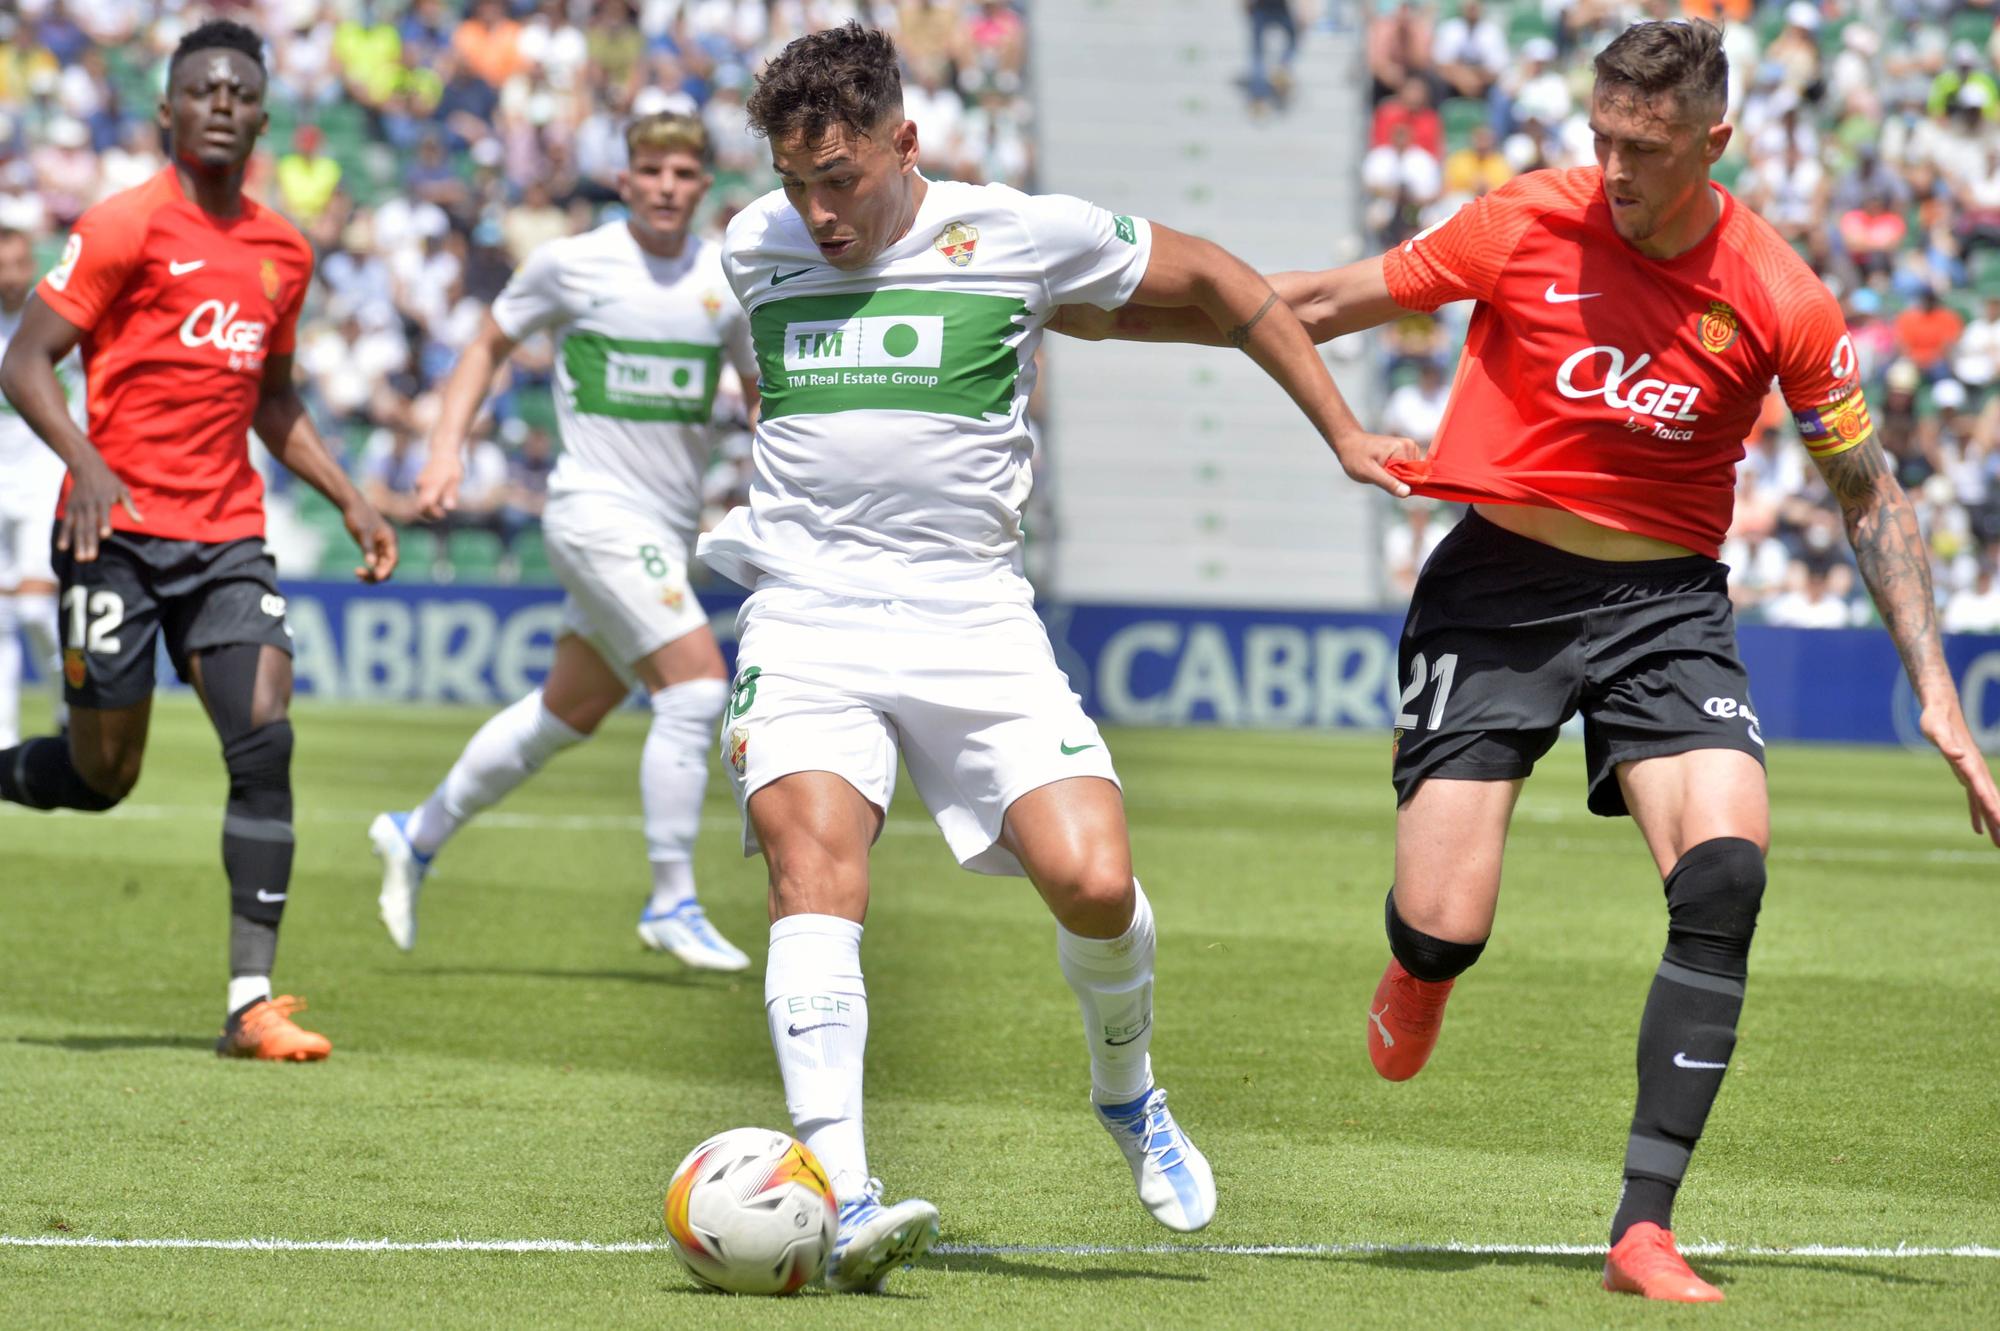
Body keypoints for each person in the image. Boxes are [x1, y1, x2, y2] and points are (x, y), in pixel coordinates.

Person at [1057, 17, 2000, 1305]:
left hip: (1666, 604)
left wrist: (1938, 699)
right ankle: (1419, 967)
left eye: (1644, 149)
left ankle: (1640, 1226)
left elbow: (1868, 495)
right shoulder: (1518, 222)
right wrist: (1092, 318)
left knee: (1724, 871)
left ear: (1712, 144)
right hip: (1494, 591)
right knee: (1446, 924)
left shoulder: (1779, 294)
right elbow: (1319, 302)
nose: (1612, 168)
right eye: (1600, 137)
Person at [702, 22, 1411, 1294]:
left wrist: (1344, 436)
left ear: (903, 145)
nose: (816, 212)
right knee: (816, 879)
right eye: (796, 182)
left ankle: (1126, 1092)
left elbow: (1220, 287)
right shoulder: (753, 247)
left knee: (1092, 882)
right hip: (806, 615)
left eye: (842, 180)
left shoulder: (1013, 235)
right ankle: (842, 1184)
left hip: (973, 620)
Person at [0, 20, 398, 1061]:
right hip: (114, 537)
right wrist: (85, 459)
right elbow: (27, 359)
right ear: (167, 112)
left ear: (263, 117)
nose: (220, 102)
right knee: (103, 776)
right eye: (201, 89)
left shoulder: (284, 252)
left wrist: (349, 496)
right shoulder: (127, 223)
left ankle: (250, 1001)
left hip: (226, 536)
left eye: (238, 91)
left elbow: (274, 399)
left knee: (264, 735)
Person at [368, 113, 757, 972]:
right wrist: (444, 450)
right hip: (591, 510)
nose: (666, 185)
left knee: (568, 710)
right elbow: (484, 344)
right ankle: (670, 898)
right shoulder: (572, 265)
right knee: (695, 687)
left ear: (703, 184)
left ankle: (415, 831)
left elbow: (760, 389)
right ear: (623, 181)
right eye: (651, 169)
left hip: (663, 528)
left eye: (684, 172)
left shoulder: (726, 283)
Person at [0, 227, 74, 748]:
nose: (10, 275)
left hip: (44, 483)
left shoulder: (52, 322)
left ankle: (71, 715)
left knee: (33, 611)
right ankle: (3, 739)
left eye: (18, 263)